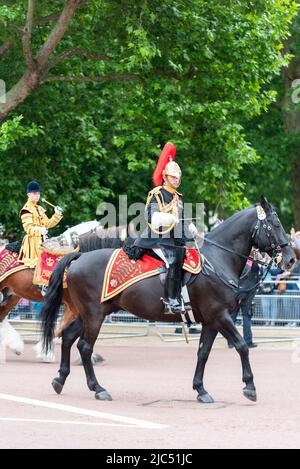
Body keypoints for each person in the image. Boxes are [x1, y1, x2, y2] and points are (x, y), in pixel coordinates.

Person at [133, 142, 197, 314]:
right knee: (174, 260)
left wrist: (190, 226)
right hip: (156, 240)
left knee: (189, 258)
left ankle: (184, 296)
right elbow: (151, 217)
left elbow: (181, 219)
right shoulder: (157, 193)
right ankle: (171, 301)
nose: (177, 180)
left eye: (178, 177)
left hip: (173, 240)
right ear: (165, 177)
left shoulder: (179, 197)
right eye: (173, 177)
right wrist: (167, 217)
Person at [18, 181, 63, 269]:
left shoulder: (39, 208)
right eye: (35, 193)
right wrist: (40, 230)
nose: (37, 195)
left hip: (44, 239)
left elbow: (47, 224)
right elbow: (28, 229)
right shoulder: (26, 210)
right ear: (28, 194)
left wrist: (57, 214)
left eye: (38, 193)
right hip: (33, 242)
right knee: (39, 266)